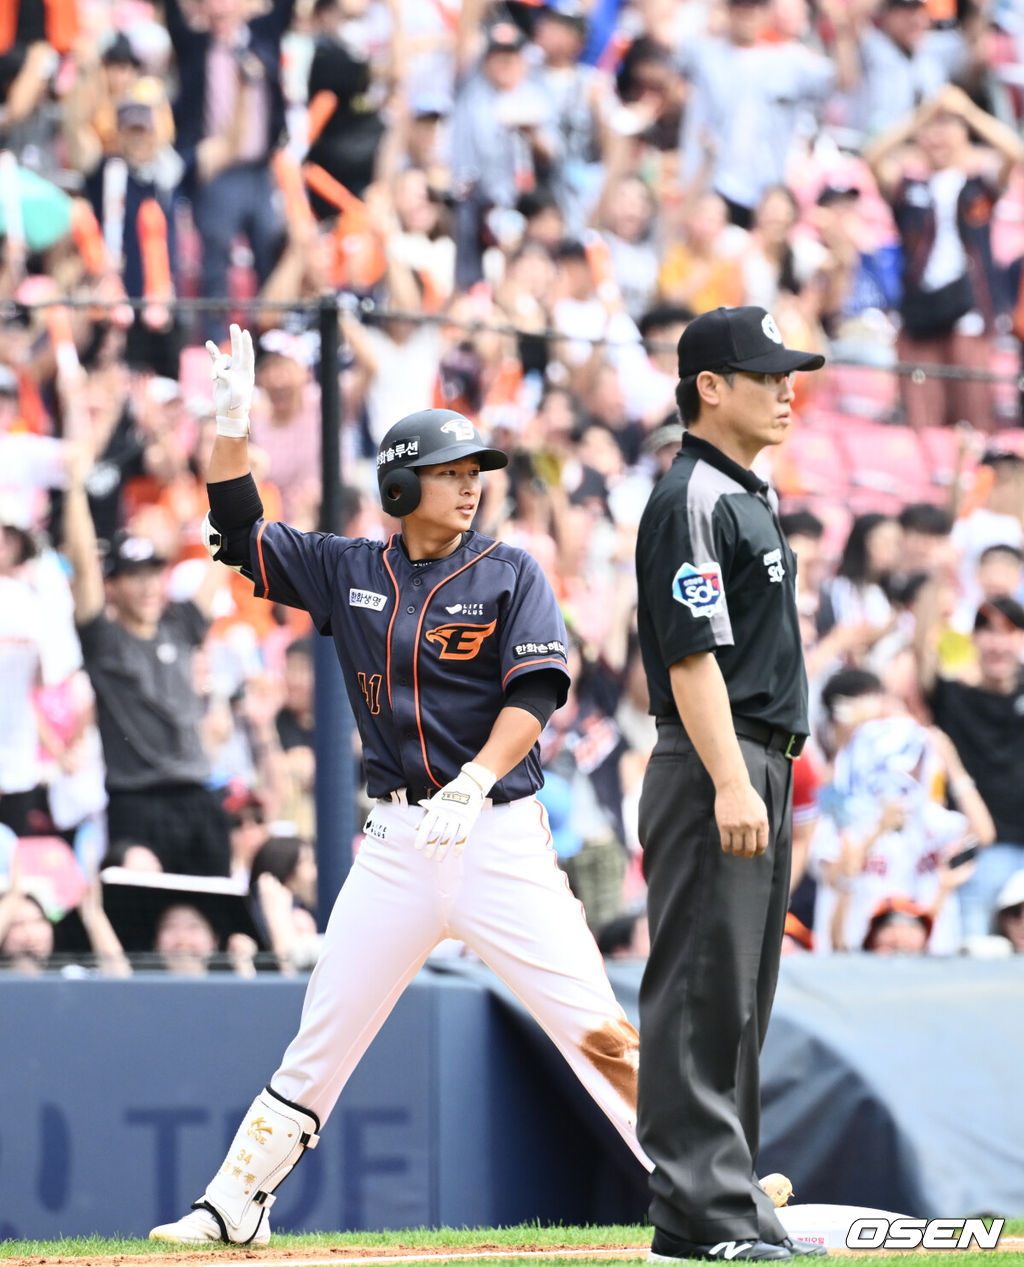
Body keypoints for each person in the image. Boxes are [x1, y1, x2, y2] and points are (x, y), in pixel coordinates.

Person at [148, 325, 649, 1246]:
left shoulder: (510, 571)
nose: (470, 484)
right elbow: (237, 533)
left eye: (476, 472)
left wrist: (474, 779)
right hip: (398, 841)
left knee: (594, 1021)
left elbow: (537, 690)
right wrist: (231, 421)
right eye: (453, 470)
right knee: (324, 1030)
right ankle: (234, 1204)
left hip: (495, 831)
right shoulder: (350, 568)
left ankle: (709, 1182)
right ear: (400, 486)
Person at [633, 305, 825, 1262]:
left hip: (756, 759)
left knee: (742, 995)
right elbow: (689, 658)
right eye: (766, 373)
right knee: (702, 989)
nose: (787, 387)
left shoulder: (744, 491)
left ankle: (730, 1202)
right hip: (718, 758)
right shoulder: (692, 496)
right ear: (710, 386)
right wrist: (729, 781)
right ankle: (703, 1209)